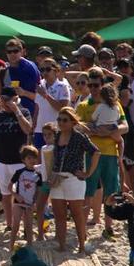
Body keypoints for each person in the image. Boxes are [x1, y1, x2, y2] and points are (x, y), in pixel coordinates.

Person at [77, 69, 127, 237]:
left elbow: (125, 126)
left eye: (95, 85)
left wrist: (108, 131)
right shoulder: (84, 104)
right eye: (89, 85)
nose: (92, 88)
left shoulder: (115, 103)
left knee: (110, 192)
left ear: (102, 84)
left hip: (111, 153)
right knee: (87, 192)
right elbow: (79, 127)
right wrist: (103, 131)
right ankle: (82, 229)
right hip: (91, 153)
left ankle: (108, 228)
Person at [48, 108, 100, 253]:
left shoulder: (79, 137)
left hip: (74, 179)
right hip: (58, 178)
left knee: (77, 213)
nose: (61, 123)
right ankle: (62, 245)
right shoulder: (57, 136)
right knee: (59, 215)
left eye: (64, 120)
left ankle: (82, 246)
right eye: (59, 119)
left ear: (72, 122)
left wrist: (88, 173)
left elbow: (96, 152)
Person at [0, 86, 33, 231]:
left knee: (23, 195)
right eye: (2, 100)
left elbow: (28, 130)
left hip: (19, 161)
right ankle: (10, 224)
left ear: (14, 99)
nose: (4, 103)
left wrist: (16, 111)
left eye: (7, 100)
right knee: (6, 194)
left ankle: (26, 226)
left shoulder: (24, 112)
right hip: (1, 159)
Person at [8, 146, 43, 250]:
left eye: (34, 158)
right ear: (23, 160)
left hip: (29, 203)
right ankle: (10, 246)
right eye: (29, 158)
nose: (32, 160)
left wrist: (35, 202)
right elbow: (9, 187)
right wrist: (16, 196)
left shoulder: (38, 174)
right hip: (18, 202)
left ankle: (30, 246)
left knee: (29, 226)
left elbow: (38, 190)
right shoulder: (19, 172)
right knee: (16, 225)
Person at [34, 61, 72, 148]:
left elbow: (62, 108)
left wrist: (45, 95)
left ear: (56, 71)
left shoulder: (63, 86)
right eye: (42, 70)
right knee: (40, 159)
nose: (44, 72)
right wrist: (34, 123)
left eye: (48, 69)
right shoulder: (40, 85)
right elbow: (37, 106)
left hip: (56, 130)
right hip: (40, 129)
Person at [1, 38, 40, 114]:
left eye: (15, 51)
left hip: (31, 112)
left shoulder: (29, 67)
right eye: (9, 52)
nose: (12, 54)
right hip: (12, 112)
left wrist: (24, 93)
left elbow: (39, 96)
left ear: (22, 52)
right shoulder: (6, 70)